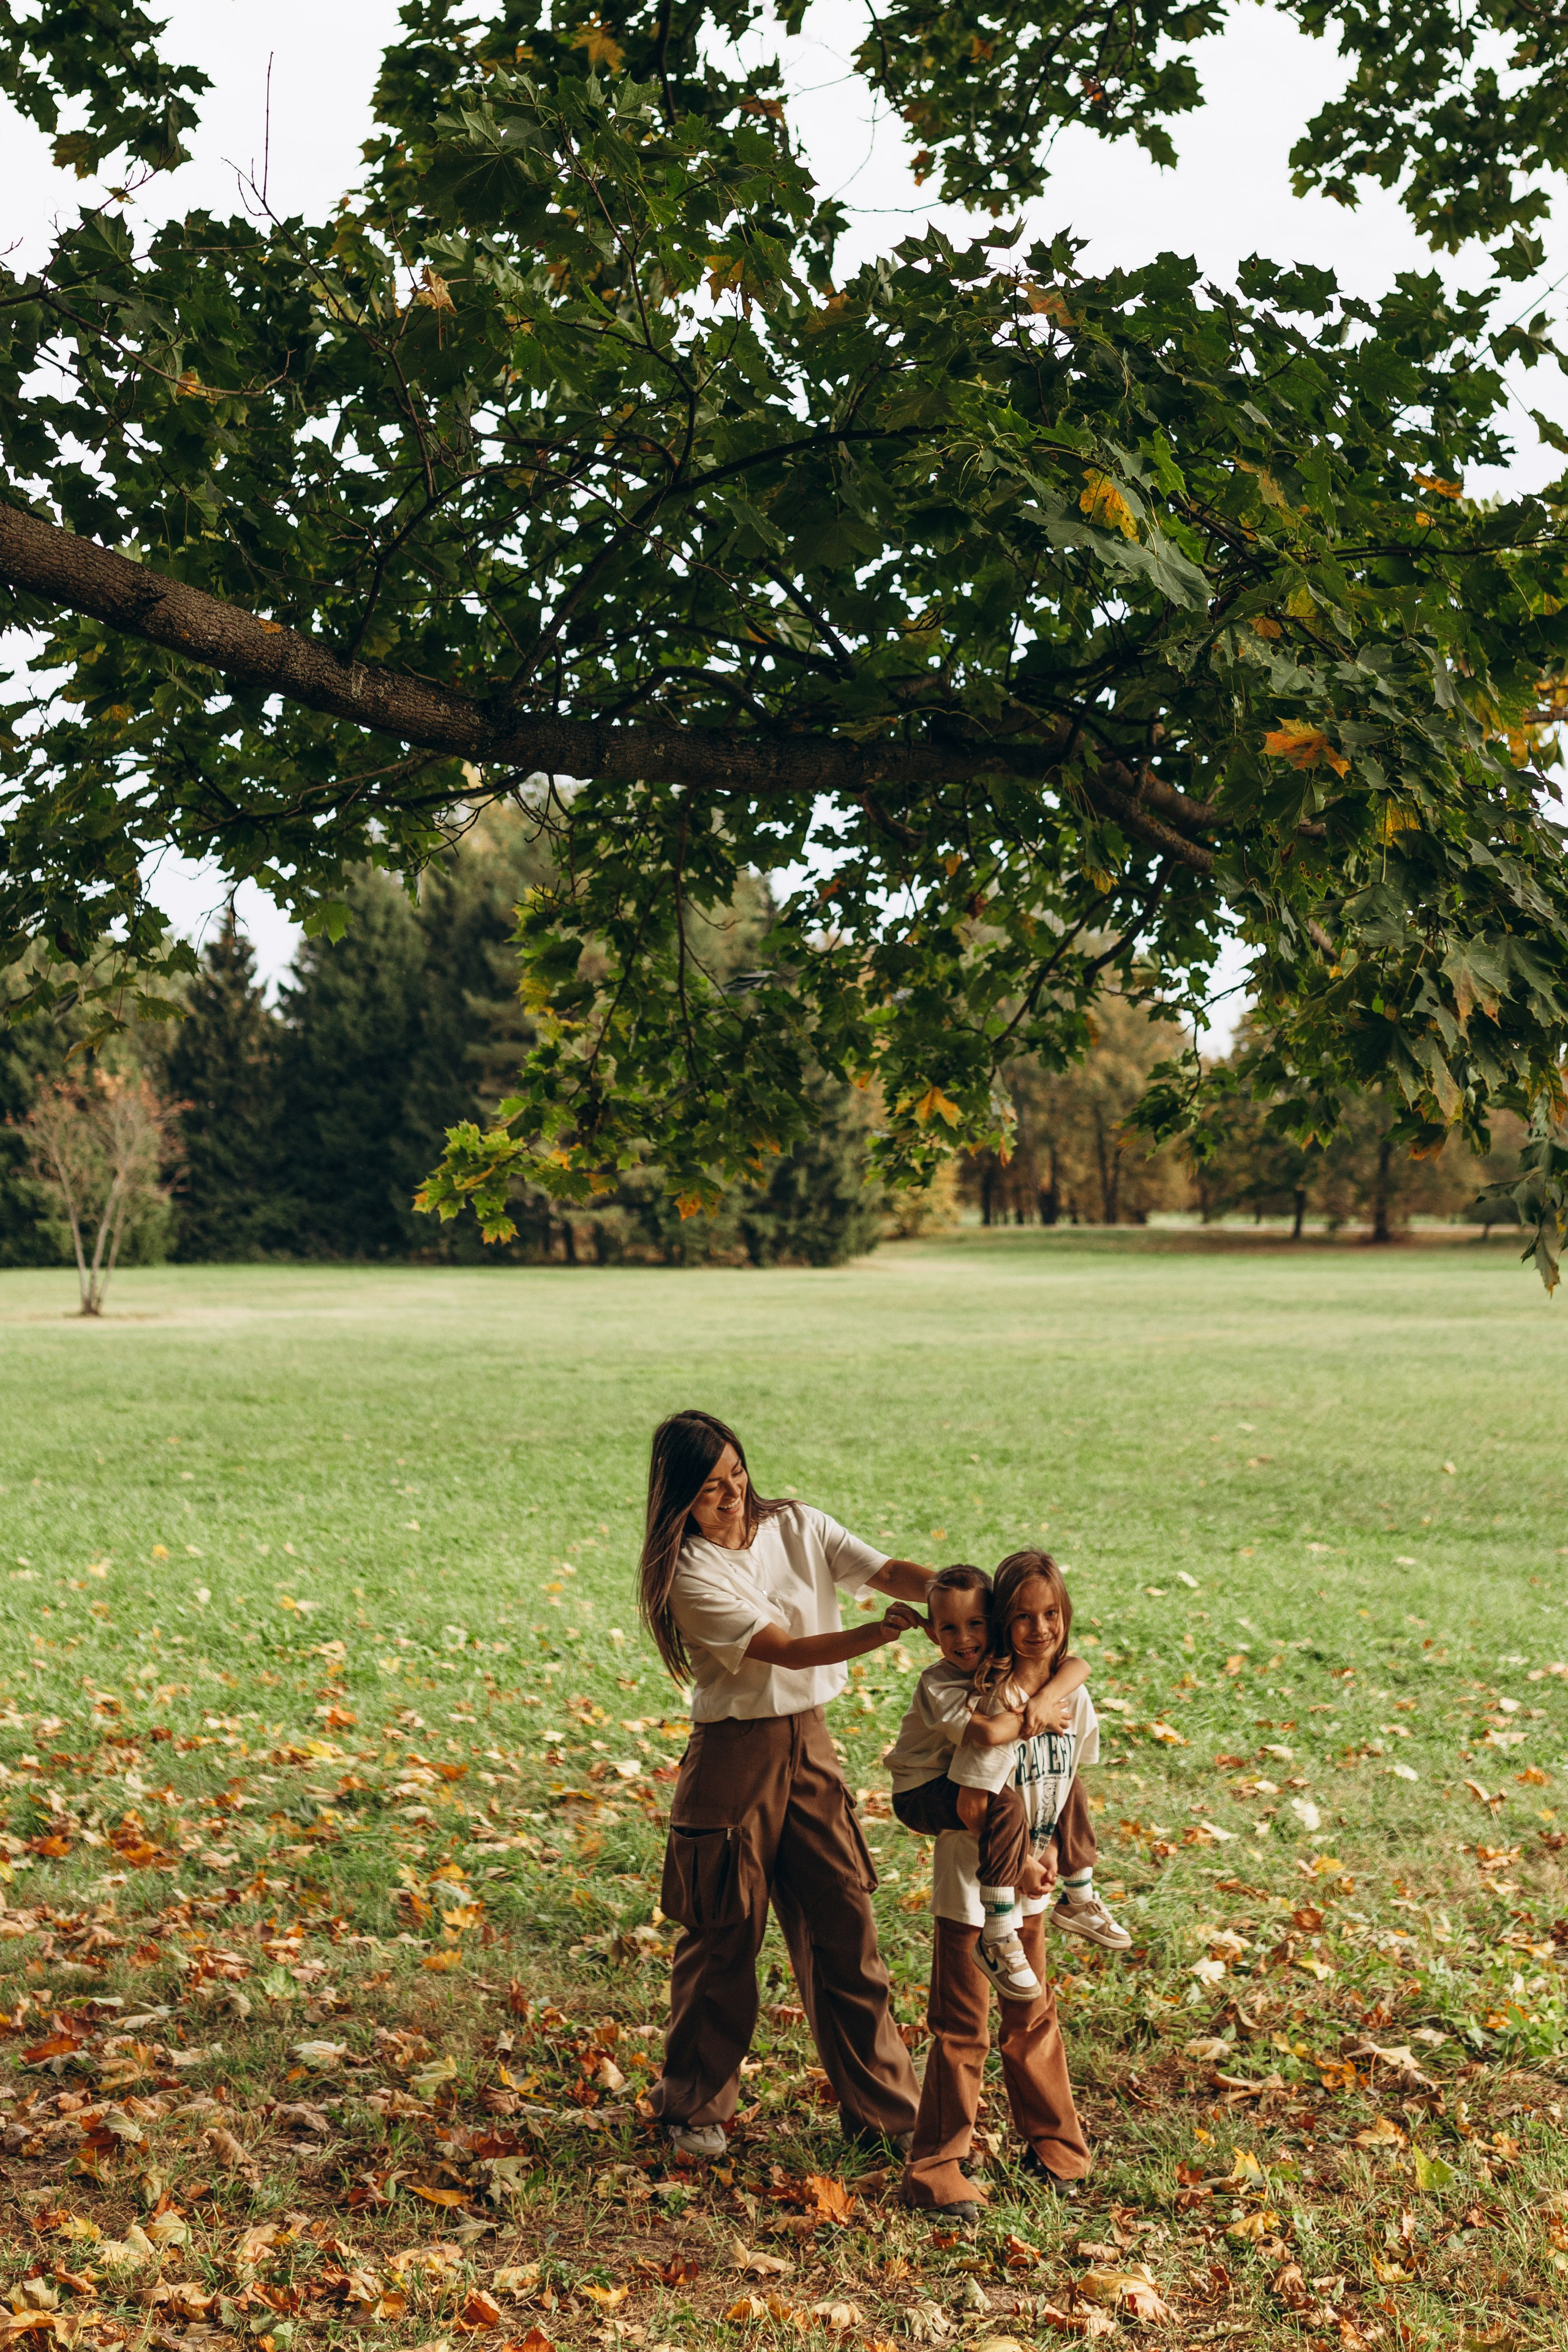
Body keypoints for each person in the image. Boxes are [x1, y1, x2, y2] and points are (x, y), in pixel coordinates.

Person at [640, 1408, 933, 2163]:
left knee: (845, 1925)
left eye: (736, 1475)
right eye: (709, 1489)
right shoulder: (689, 1572)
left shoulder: (796, 1524)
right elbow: (787, 1652)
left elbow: (889, 1572)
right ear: (677, 1499)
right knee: (723, 1936)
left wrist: (966, 1594)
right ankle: (691, 2109)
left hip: (811, 1746)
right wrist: (881, 1633)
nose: (731, 1494)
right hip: (733, 1758)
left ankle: (886, 2113)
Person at [900, 1549, 1099, 2220]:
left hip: (1032, 1889)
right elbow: (976, 1787)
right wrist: (1035, 1706)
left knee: (1033, 2014)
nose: (1038, 1629)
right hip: (971, 1893)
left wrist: (1056, 1867)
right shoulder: (979, 1694)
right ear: (1000, 1624)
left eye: (1050, 1615)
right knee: (961, 2028)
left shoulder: (1072, 1694)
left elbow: (1068, 1779)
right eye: (1019, 1617)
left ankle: (1056, 2149)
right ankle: (935, 2168)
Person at [883, 1564, 1090, 2003]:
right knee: (961, 2016)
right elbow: (988, 1735)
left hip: (1009, 1841)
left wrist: (1048, 1696)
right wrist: (1039, 1714)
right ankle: (996, 1934)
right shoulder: (944, 1684)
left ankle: (1081, 1892)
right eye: (949, 1629)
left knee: (1032, 2008)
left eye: (976, 1624)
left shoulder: (1015, 1677)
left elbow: (1078, 1663)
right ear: (935, 1634)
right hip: (921, 1792)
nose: (963, 1639)